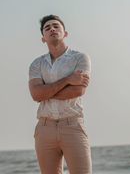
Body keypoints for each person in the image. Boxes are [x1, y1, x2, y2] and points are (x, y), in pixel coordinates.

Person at [28, 14, 92, 174]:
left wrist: (46, 91)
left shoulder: (80, 58)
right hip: (44, 128)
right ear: (43, 38)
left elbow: (78, 90)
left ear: (65, 33)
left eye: (56, 26)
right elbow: (36, 94)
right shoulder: (37, 64)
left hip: (73, 125)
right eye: (47, 28)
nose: (52, 29)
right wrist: (68, 79)